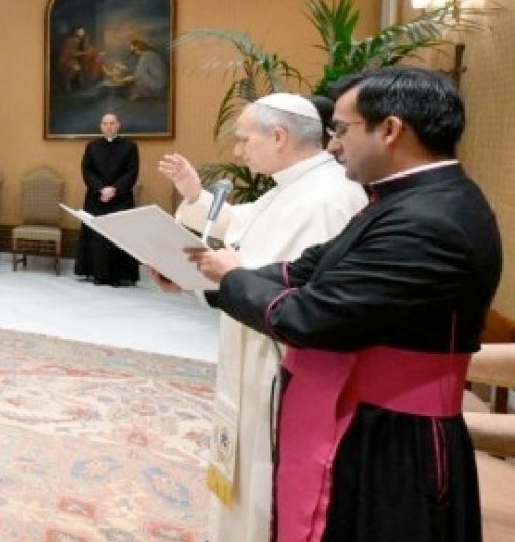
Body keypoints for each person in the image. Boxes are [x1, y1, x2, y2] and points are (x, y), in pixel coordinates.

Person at [189, 67, 501, 542]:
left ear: (390, 129)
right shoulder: (407, 200)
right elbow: (307, 268)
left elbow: (311, 317)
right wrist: (213, 278)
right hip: (361, 414)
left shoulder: (428, 219)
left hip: (393, 437)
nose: (333, 145)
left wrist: (231, 277)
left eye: (341, 130)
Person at [157, 93, 365, 542]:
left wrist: (213, 278)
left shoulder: (326, 198)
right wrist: (194, 198)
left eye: (244, 139)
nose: (237, 152)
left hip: (280, 367)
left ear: (279, 136)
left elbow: (293, 293)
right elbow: (243, 228)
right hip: (251, 348)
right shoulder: (292, 187)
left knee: (265, 479)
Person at [77, 113, 140, 286]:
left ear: (118, 125)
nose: (109, 126)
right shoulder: (92, 146)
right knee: (98, 237)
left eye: (112, 123)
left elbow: (132, 172)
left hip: (121, 198)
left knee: (119, 236)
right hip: (96, 198)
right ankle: (98, 274)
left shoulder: (130, 146)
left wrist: (114, 189)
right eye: (105, 123)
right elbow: (87, 170)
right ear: (101, 126)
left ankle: (118, 276)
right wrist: (101, 189)